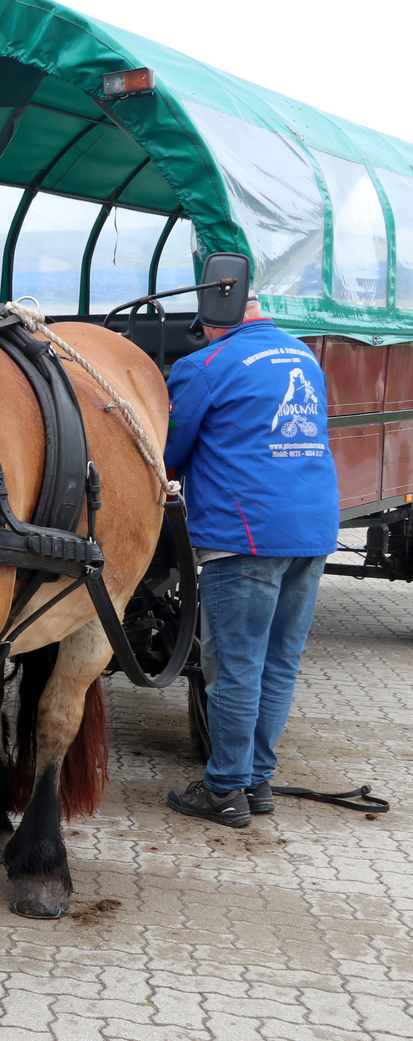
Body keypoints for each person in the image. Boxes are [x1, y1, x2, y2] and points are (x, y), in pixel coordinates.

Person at [164, 294, 339, 827]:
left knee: (235, 667)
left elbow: (168, 451)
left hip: (245, 536)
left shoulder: (206, 365)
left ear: (211, 325)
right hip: (311, 530)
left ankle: (222, 789)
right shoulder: (304, 355)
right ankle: (256, 779)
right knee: (279, 662)